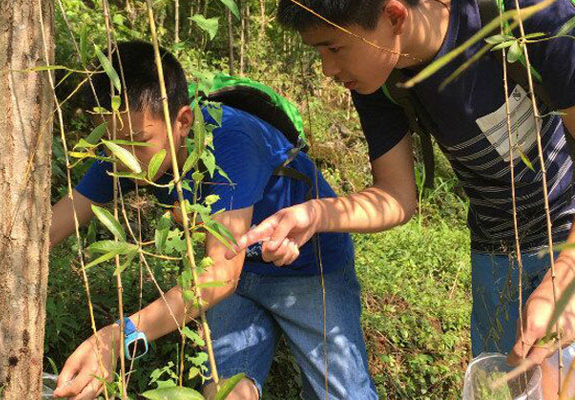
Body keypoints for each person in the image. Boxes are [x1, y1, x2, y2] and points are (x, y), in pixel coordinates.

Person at [229, 0, 575, 398]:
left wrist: (563, 275)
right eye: (318, 52)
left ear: (394, 16)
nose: (327, 69)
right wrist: (315, 213)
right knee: (506, 386)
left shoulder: (530, 17)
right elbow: (396, 196)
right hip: (495, 249)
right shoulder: (382, 77)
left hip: (567, 232)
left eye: (334, 48)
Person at [50, 40, 378, 400]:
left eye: (137, 141)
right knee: (226, 393)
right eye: (110, 144)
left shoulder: (231, 141)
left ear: (183, 121)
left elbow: (218, 279)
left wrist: (118, 337)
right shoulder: (124, 149)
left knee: (344, 394)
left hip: (307, 269)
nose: (123, 159)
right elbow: (64, 216)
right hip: (230, 270)